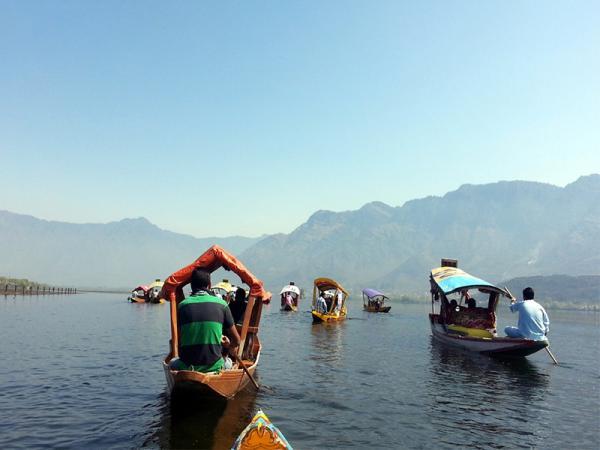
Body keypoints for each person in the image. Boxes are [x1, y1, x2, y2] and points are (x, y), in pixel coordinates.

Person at [169, 268, 240, 373]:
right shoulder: (222, 305)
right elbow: (237, 340)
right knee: (229, 362)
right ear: (209, 285)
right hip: (215, 366)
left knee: (172, 362)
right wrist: (228, 347)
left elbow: (180, 340)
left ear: (192, 286)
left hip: (187, 367)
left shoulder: (182, 306)